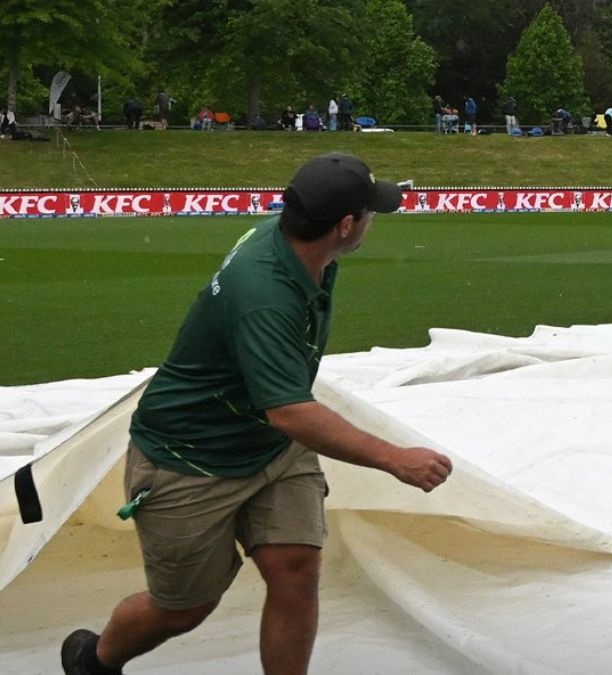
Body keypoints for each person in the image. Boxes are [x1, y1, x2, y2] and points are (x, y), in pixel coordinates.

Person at [59, 153, 453, 675]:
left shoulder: (298, 246)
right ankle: (94, 660)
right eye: (369, 212)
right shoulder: (264, 292)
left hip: (270, 447)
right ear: (344, 225)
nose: (373, 220)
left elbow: (284, 416)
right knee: (183, 608)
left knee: (295, 569)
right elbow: (290, 412)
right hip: (191, 455)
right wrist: (394, 457)